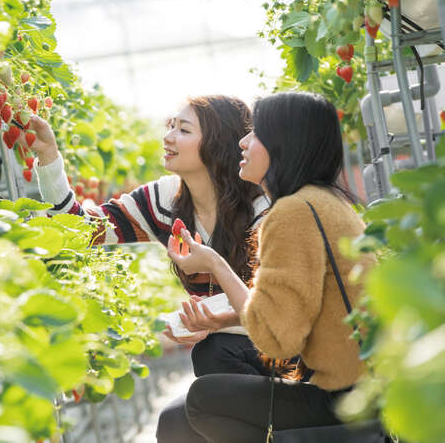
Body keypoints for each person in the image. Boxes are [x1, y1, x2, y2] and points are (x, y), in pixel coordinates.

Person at [27, 95, 271, 440]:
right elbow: (80, 230)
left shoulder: (262, 205)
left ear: (216, 144)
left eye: (183, 129)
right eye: (170, 125)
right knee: (174, 422)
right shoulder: (164, 200)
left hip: (281, 351)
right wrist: (49, 157)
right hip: (227, 350)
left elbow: (272, 302)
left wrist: (203, 316)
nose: (168, 136)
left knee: (213, 354)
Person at [169, 91, 376, 442]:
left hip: (347, 400)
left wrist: (215, 264)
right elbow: (304, 310)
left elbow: (277, 339)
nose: (243, 142)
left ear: (284, 144)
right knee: (205, 371)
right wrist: (226, 319)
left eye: (256, 133)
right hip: (362, 387)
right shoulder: (323, 201)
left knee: (203, 401)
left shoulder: (293, 213)